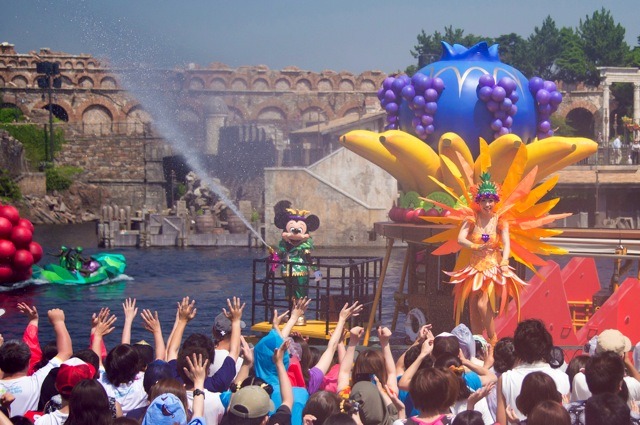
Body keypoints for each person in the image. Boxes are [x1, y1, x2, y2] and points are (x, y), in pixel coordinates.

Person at [447, 172, 527, 344]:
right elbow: (461, 239)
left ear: (495, 201)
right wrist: (475, 246)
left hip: (493, 268)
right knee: (474, 308)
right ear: (478, 202)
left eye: (490, 201)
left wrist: (505, 262)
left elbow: (506, 243)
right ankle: (476, 342)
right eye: (484, 201)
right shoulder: (471, 219)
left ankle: (492, 340)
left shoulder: (500, 220)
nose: (487, 204)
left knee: (484, 305)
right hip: (474, 268)